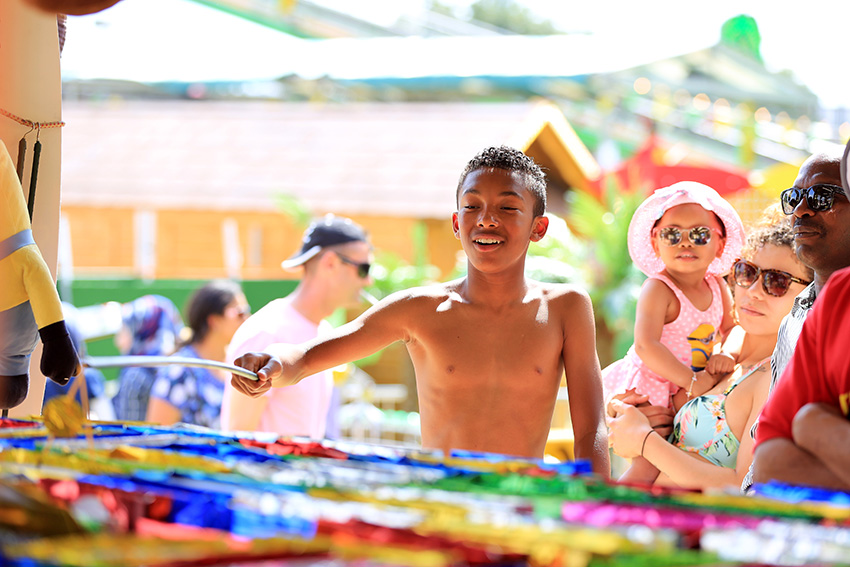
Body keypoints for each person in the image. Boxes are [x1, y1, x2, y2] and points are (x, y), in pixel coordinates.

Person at [230, 145, 610, 474]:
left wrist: (598, 509)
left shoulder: (567, 308)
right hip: (440, 504)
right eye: (472, 206)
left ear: (538, 227)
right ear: (456, 224)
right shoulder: (419, 309)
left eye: (508, 207)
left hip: (522, 505)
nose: (487, 218)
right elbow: (307, 357)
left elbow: (591, 427)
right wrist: (271, 363)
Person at [608, 212, 812, 489]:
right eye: (747, 272)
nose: (753, 291)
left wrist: (644, 441)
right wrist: (627, 412)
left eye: (777, 282)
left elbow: (743, 484)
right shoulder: (721, 350)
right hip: (645, 520)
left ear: (810, 295)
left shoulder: (775, 378)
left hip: (693, 527)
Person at [745, 150, 850, 490]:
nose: (802, 211)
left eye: (822, 197)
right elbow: (770, 455)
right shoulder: (804, 314)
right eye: (794, 198)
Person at [221, 214, 373, 438]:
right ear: (330, 263)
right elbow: (237, 436)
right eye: (363, 269)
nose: (368, 281)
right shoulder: (267, 332)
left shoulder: (323, 332)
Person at [601, 181, 744, 410]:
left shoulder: (716, 285)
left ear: (720, 244)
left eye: (699, 235)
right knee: (645, 434)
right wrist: (691, 381)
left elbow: (733, 327)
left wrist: (728, 352)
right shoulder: (659, 289)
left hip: (691, 385)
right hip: (651, 385)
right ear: (656, 243)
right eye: (671, 235)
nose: (685, 242)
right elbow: (646, 345)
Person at [146, 280, 249, 428]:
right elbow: (156, 435)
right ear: (214, 320)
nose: (247, 318)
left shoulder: (238, 362)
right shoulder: (179, 371)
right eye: (240, 313)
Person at [111, 295, 184, 421]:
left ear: (142, 331)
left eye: (124, 330)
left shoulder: (136, 377)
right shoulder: (180, 368)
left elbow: (131, 435)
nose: (118, 341)